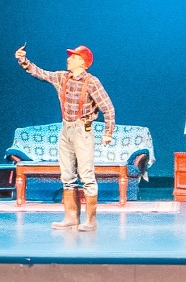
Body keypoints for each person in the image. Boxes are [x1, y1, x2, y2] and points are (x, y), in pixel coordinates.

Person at [15, 43, 116, 232]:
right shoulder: (62, 77)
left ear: (82, 62)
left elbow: (108, 108)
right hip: (66, 130)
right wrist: (23, 61)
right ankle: (71, 217)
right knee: (67, 176)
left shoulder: (92, 82)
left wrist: (108, 133)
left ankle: (91, 221)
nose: (68, 59)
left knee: (86, 175)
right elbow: (40, 73)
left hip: (83, 131)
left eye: (73, 57)